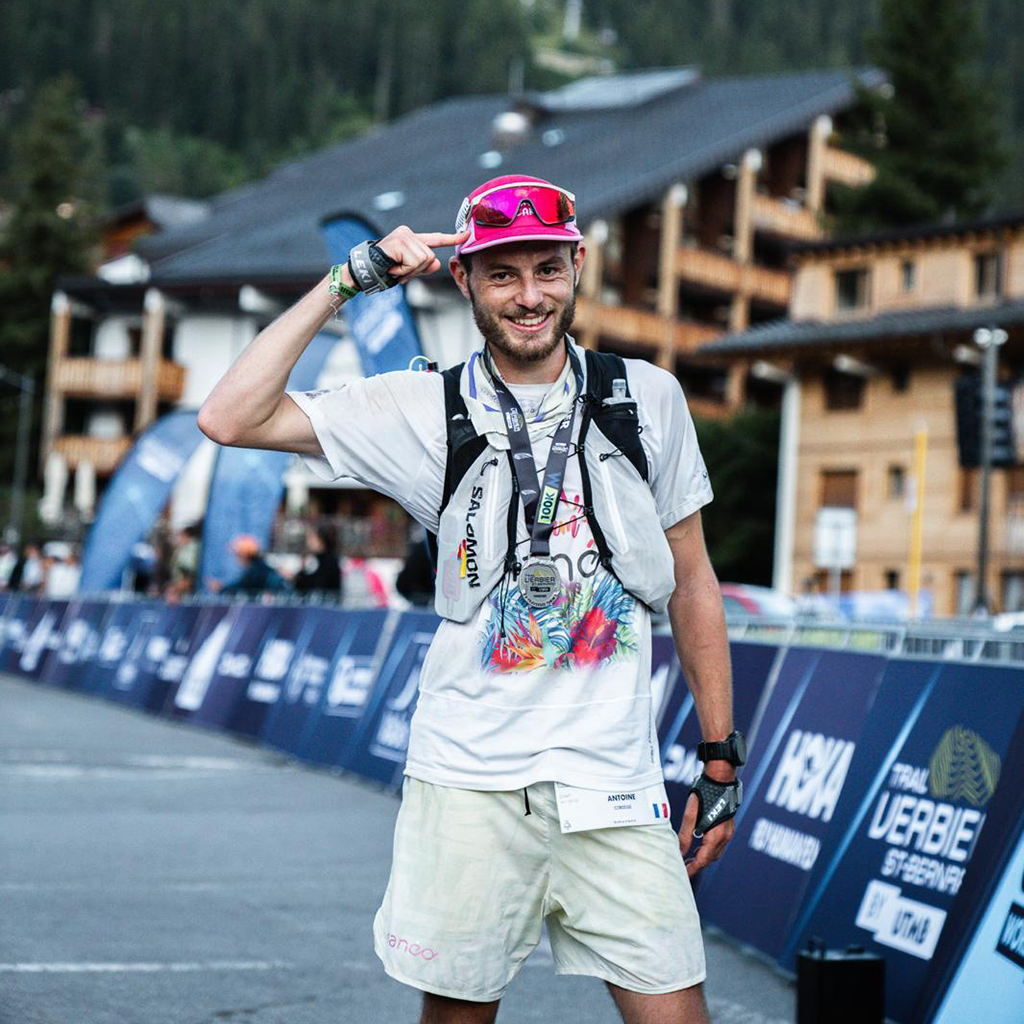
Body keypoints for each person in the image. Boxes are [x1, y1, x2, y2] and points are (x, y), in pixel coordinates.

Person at [198, 175, 739, 1024]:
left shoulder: (647, 398)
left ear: (577, 266)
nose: (530, 297)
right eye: (502, 274)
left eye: (548, 269)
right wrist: (350, 279)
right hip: (468, 786)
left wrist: (719, 759)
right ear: (463, 279)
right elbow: (229, 418)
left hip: (614, 788)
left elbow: (694, 580)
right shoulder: (417, 406)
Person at [219, 534, 288, 596]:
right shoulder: (261, 567)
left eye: (237, 554)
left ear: (244, 555)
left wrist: (222, 589)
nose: (236, 558)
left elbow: (239, 587)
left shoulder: (255, 571)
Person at [292, 523, 343, 601]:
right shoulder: (311, 559)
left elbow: (319, 587)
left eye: (312, 538)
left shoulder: (331, 561)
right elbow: (300, 589)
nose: (309, 542)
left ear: (322, 540)